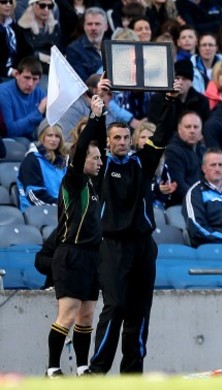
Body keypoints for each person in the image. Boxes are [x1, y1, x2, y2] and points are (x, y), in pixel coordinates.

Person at [89, 79, 179, 375]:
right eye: (117, 138)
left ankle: (132, 373)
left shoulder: (143, 162)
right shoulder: (101, 167)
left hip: (142, 246)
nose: (123, 142)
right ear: (108, 142)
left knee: (139, 313)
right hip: (113, 246)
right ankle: (97, 370)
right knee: (114, 308)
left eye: (126, 137)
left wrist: (170, 100)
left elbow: (163, 133)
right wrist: (99, 107)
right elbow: (90, 138)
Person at [46, 88, 107, 378]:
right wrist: (92, 117)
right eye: (94, 158)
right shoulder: (73, 181)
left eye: (99, 158)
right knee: (68, 313)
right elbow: (82, 147)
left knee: (86, 316)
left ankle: (83, 366)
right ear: (81, 161)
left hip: (92, 257)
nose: (99, 162)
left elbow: (102, 147)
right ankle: (52, 367)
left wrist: (102, 115)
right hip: (71, 253)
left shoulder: (95, 186)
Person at [17, 122, 67, 211]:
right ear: (41, 137)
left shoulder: (62, 161)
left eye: (57, 136)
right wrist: (60, 205)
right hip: (37, 211)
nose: (54, 139)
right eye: (50, 135)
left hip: (60, 208)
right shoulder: (31, 160)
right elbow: (34, 195)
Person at [0, 56, 46, 140]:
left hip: (32, 137)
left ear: (39, 80)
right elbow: (10, 131)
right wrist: (38, 112)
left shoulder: (40, 93)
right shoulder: (3, 92)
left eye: (35, 79)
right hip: (11, 139)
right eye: (27, 77)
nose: (30, 84)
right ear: (17, 75)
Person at [66, 7, 107, 83]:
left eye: (97, 24)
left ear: (105, 27)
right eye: (89, 24)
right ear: (84, 27)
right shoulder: (74, 49)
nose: (93, 28)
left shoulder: (112, 47)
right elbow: (81, 83)